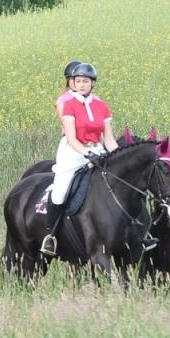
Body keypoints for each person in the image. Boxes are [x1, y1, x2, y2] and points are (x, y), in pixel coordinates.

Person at [34, 61, 116, 255]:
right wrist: (88, 153)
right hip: (74, 152)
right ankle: (50, 236)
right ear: (72, 82)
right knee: (61, 190)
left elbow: (110, 139)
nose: (81, 84)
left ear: (92, 83)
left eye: (85, 81)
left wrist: (116, 156)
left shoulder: (101, 105)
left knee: (120, 181)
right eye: (77, 81)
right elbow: (71, 138)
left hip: (98, 149)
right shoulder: (68, 104)